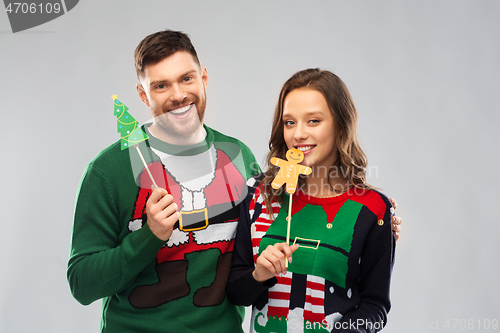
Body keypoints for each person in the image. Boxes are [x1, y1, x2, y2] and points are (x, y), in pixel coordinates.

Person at [67, 30, 401, 332]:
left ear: (204, 78)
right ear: (143, 94)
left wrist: (371, 225)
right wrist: (148, 238)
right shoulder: (108, 171)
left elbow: (272, 226)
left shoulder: (238, 159)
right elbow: (82, 285)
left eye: (187, 79)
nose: (179, 95)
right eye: (161, 85)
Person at [227, 68, 396, 332]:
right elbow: (236, 294)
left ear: (341, 125)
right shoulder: (256, 195)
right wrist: (259, 275)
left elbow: (375, 306)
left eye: (314, 121)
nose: (298, 135)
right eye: (290, 122)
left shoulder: (373, 208)